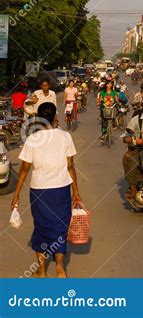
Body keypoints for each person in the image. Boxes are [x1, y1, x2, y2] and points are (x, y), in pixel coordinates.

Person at [11, 102, 81, 278]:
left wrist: (16, 194)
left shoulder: (33, 139)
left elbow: (25, 169)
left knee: (41, 227)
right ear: (55, 117)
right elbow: (70, 166)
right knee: (60, 227)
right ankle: (59, 267)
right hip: (61, 189)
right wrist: (76, 192)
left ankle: (41, 269)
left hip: (39, 191)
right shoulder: (65, 136)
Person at [96, 78, 118, 143]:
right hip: (104, 109)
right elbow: (99, 100)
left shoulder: (114, 92)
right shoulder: (102, 93)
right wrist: (99, 102)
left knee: (116, 114)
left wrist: (118, 102)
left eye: (111, 84)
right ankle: (103, 135)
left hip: (112, 108)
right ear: (106, 85)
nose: (109, 85)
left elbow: (116, 99)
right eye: (108, 84)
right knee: (103, 122)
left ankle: (114, 124)